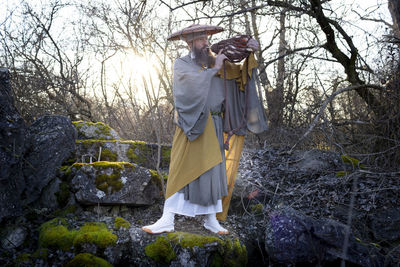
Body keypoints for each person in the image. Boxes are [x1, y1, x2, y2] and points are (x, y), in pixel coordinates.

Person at [142, 24, 267, 235]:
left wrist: (251, 52)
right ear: (190, 44)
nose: (206, 43)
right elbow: (188, 87)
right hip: (191, 125)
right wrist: (214, 69)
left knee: (213, 172)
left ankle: (211, 220)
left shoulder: (213, 60)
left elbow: (239, 75)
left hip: (216, 124)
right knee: (180, 170)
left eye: (206, 39)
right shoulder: (181, 64)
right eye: (201, 40)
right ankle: (166, 219)